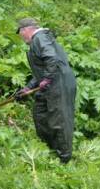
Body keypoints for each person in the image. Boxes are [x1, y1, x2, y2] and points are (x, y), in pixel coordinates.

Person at [15, 17, 77, 163]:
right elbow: (41, 72)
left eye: (20, 33)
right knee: (40, 114)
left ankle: (64, 159)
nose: (21, 37)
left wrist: (48, 79)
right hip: (51, 84)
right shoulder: (41, 40)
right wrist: (28, 88)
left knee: (59, 120)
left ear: (26, 30)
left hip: (59, 84)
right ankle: (49, 149)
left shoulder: (40, 38)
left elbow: (51, 59)